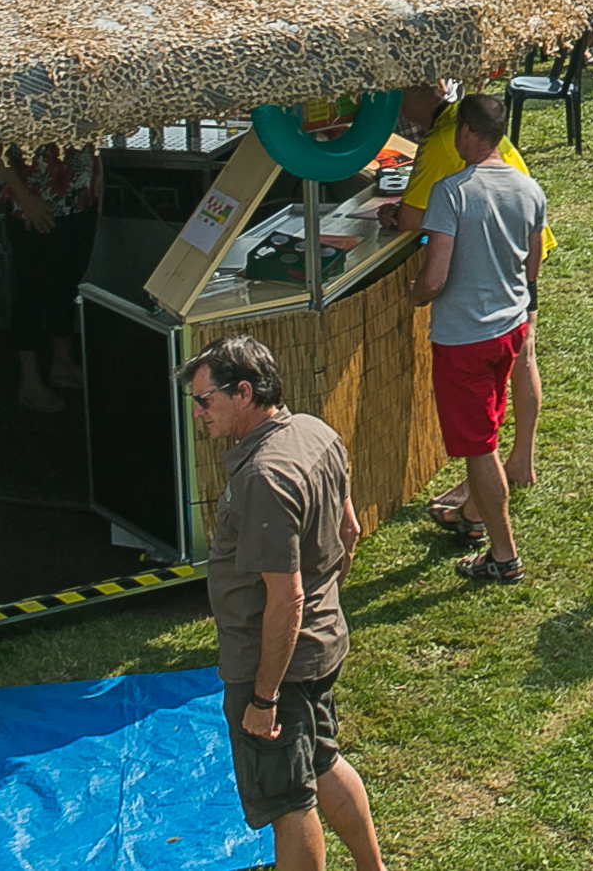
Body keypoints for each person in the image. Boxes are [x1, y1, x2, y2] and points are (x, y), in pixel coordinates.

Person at [182, 334, 382, 871]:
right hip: (321, 643)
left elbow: (286, 598)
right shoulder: (316, 433)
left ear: (243, 392)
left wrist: (264, 697)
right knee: (321, 759)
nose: (198, 412)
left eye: (205, 400)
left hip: (276, 662)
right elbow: (349, 528)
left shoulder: (264, 477)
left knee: (288, 803)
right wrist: (327, 596)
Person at [407, 94, 548, 583]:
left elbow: (434, 277)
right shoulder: (529, 189)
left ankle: (503, 554)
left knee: (478, 446)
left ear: (466, 131)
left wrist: (414, 296)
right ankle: (470, 519)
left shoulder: (451, 192)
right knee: (484, 431)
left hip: (464, 338)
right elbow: (533, 267)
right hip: (508, 329)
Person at [0, 145, 99, 413]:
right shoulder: (9, 100)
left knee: (67, 285)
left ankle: (62, 364)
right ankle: (30, 383)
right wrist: (25, 197)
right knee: (31, 292)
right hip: (34, 203)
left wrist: (98, 175)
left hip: (81, 196)